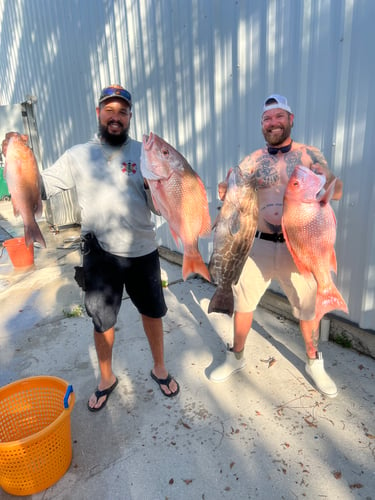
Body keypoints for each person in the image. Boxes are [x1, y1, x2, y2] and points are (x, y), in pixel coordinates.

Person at [41, 84, 180, 410]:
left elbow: (160, 208)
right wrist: (19, 164)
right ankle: (106, 378)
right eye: (109, 110)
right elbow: (41, 185)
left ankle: (159, 367)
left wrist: (153, 187)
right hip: (100, 254)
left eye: (122, 111)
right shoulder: (77, 155)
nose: (115, 117)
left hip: (142, 249)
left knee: (152, 313)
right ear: (98, 113)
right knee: (102, 320)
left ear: (129, 116)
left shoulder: (142, 153)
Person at [209, 94, 343, 398]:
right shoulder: (253, 160)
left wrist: (329, 183)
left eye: (279, 116)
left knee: (308, 308)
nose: (273, 123)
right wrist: (224, 190)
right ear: (262, 124)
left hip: (299, 246)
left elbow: (337, 189)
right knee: (242, 304)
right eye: (267, 118)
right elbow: (231, 192)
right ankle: (236, 356)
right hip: (257, 246)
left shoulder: (310, 155)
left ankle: (314, 362)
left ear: (290, 119)